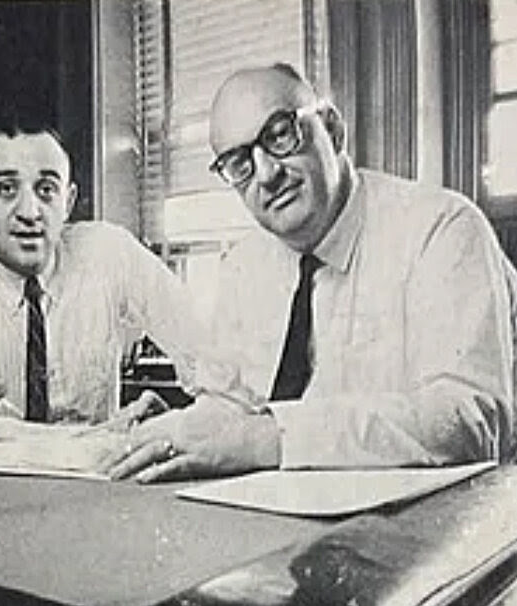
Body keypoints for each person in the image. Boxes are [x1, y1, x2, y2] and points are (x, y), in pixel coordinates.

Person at [105, 63, 517, 482]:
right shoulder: (243, 266)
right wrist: (173, 432)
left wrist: (272, 439)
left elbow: (473, 419)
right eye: (239, 163)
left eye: (281, 135)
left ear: (333, 130)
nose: (266, 175)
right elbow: (229, 406)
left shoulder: (442, 229)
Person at [0, 116, 212, 427]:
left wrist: (189, 421)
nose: (30, 211)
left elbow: (212, 353)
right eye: (6, 188)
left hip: (90, 490)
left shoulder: (109, 253)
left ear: (69, 201)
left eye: (46, 190)